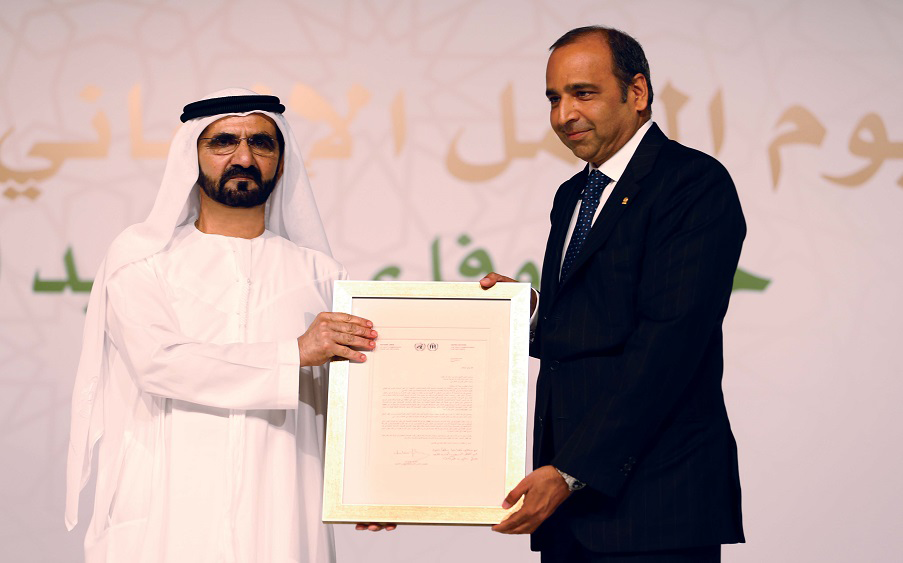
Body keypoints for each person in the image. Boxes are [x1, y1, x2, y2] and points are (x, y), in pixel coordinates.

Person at [64, 88, 390, 563]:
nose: (244, 158)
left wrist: (371, 482)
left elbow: (345, 401)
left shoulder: (322, 275)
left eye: (261, 143)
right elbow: (160, 364)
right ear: (190, 157)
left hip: (284, 515)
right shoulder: (141, 260)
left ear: (282, 162)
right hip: (168, 519)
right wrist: (294, 353)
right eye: (223, 142)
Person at [483, 27, 746, 562]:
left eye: (583, 93)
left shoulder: (693, 183)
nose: (564, 115)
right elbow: (597, 322)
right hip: (570, 514)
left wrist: (570, 470)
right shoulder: (572, 195)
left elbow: (668, 343)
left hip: (657, 509)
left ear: (637, 92)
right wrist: (533, 315)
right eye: (554, 98)